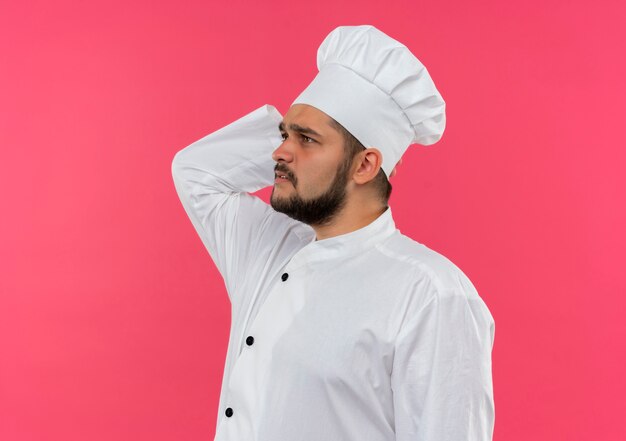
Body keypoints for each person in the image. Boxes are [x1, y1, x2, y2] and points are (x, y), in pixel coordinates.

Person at [171, 25, 495, 441]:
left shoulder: (430, 293)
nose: (279, 151)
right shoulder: (268, 250)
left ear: (364, 165)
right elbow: (195, 172)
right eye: (283, 134)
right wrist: (295, 130)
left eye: (307, 139)